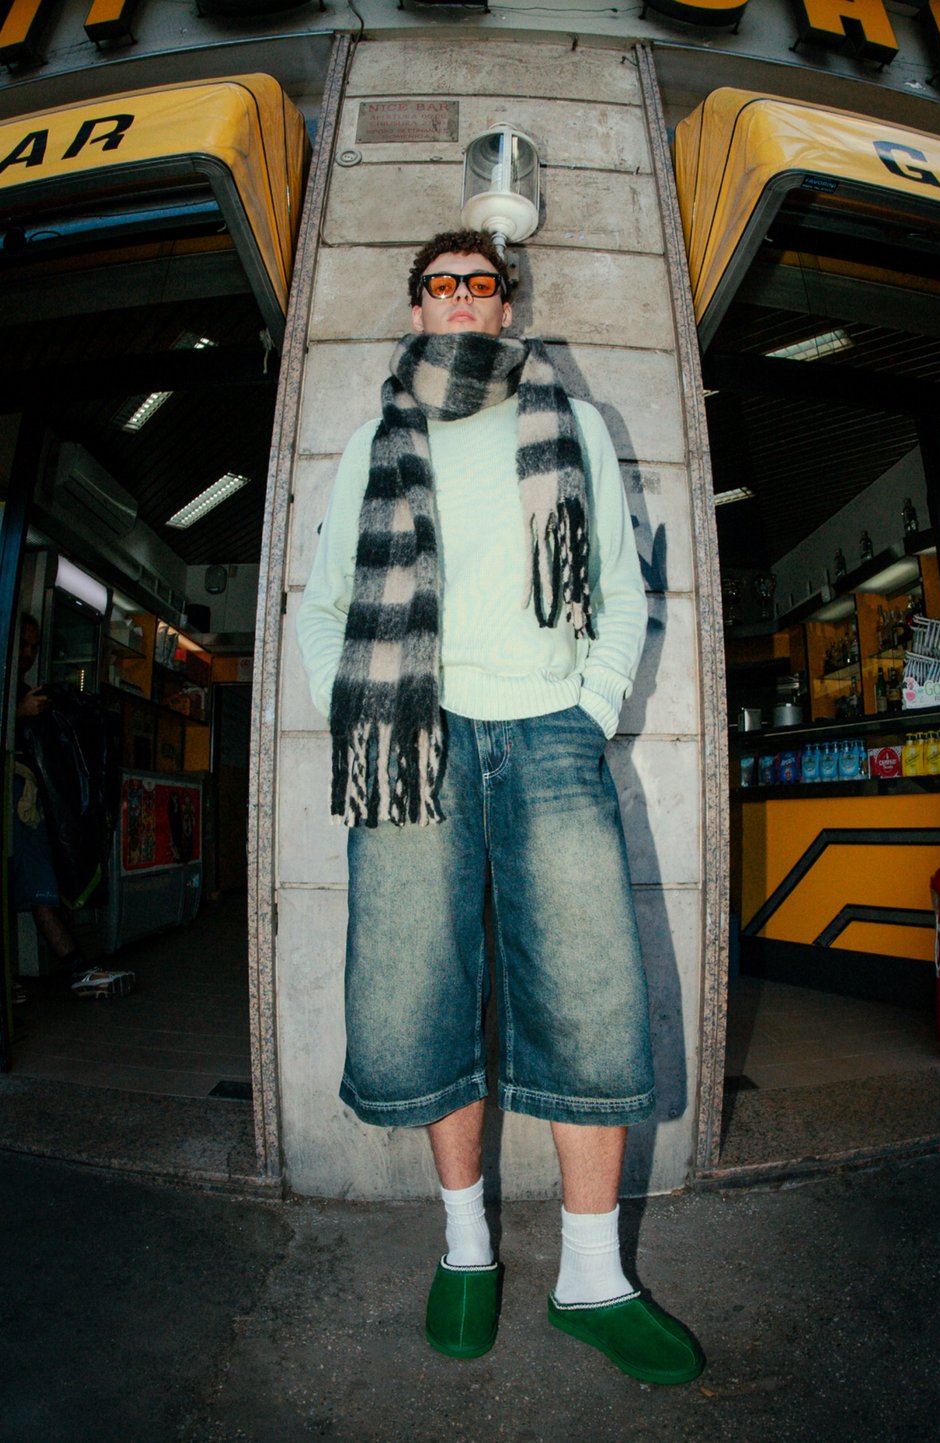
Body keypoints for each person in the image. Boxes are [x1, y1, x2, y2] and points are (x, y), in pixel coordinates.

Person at [297, 230, 704, 1385]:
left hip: (548, 737)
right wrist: (372, 709)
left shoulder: (564, 421)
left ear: (505, 300)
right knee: (420, 989)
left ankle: (592, 1278)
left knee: (588, 994)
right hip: (410, 745)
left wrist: (585, 708)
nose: (464, 300)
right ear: (417, 304)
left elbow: (619, 591)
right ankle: (465, 1250)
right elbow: (321, 608)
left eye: (483, 283)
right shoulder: (377, 438)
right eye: (443, 284)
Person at [11, 615, 89, 990]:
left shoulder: (21, 688)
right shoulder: (15, 695)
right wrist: (18, 715)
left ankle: (76, 966)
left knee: (42, 881)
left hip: (26, 803)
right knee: (38, 881)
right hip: (17, 802)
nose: (28, 654)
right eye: (23, 645)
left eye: (34, 647)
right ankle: (76, 968)